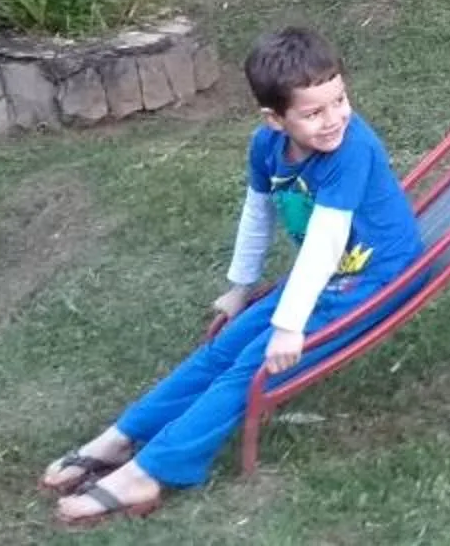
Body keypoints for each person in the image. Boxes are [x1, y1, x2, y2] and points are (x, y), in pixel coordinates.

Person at [42, 27, 423, 527]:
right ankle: (124, 435)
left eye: (340, 100)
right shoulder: (266, 147)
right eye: (314, 112)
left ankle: (152, 470)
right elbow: (257, 213)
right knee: (221, 351)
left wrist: (288, 325)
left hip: (376, 277)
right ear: (274, 119)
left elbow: (328, 241)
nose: (334, 119)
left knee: (251, 363)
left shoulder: (351, 148)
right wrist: (241, 288)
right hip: (327, 276)